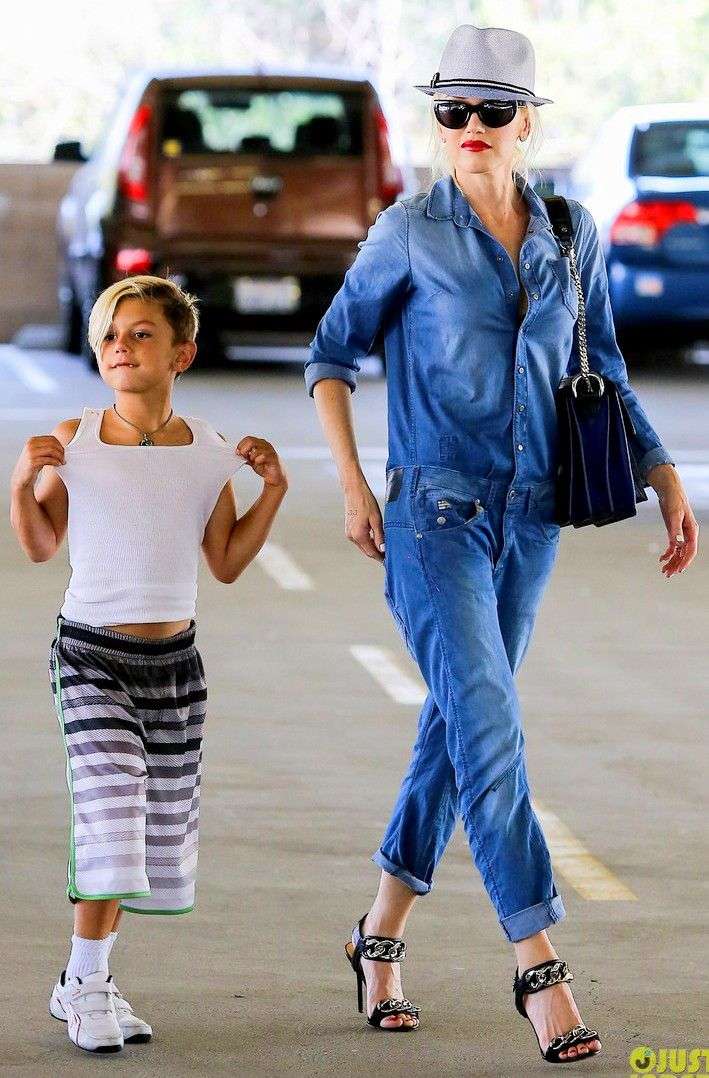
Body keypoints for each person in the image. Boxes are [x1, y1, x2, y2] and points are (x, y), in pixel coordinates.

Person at [304, 23, 699, 1064]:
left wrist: (663, 473)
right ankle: (538, 962)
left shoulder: (570, 231)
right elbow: (330, 358)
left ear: (526, 121)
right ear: (437, 123)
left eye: (492, 109)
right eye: (453, 110)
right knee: (488, 728)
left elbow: (602, 366)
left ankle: (377, 935)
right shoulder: (406, 231)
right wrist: (352, 485)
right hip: (431, 517)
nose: (471, 126)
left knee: (455, 728)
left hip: (533, 518)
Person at [10, 275, 288, 1053]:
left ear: (181, 354)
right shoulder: (76, 439)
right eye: (109, 335)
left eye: (140, 334)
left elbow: (225, 561)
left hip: (173, 665)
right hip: (90, 655)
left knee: (142, 831)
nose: (120, 347)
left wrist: (272, 490)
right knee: (112, 808)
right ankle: (86, 984)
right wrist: (23, 481)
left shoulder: (204, 449)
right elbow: (39, 544)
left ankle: (84, 979)